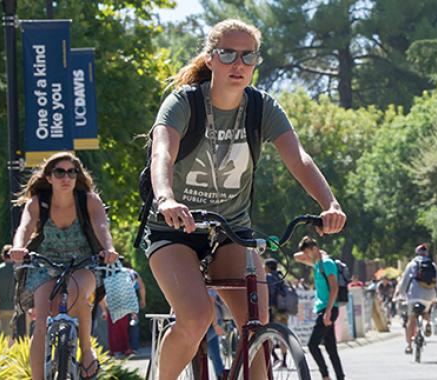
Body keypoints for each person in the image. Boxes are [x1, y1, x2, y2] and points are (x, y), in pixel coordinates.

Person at [144, 18, 346, 380]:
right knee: (196, 316)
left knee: (258, 327)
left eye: (248, 56)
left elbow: (298, 157)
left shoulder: (261, 107)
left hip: (230, 230)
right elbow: (162, 153)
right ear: (210, 59)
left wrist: (329, 204)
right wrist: (165, 197)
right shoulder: (184, 102)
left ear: (256, 62)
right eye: (227, 54)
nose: (238, 64)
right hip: (173, 227)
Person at [9, 152, 119, 380]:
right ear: (49, 177)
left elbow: (101, 226)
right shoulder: (39, 202)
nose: (66, 177)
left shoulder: (88, 200)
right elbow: (25, 227)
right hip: (45, 264)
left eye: (72, 172)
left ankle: (86, 349)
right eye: (59, 172)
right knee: (41, 320)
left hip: (82, 262)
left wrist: (108, 248)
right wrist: (18, 247)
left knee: (78, 294)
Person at [294, 237, 345, 380]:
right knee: (331, 348)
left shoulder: (327, 263)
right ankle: (340, 377)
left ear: (314, 249)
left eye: (308, 252)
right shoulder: (317, 263)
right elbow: (296, 257)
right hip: (325, 308)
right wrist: (311, 250)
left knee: (312, 345)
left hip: (327, 308)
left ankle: (325, 375)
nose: (307, 256)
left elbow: (334, 288)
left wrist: (328, 311)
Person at [393, 243, 437, 354]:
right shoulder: (433, 265)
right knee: (426, 312)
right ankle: (427, 323)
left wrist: (401, 295)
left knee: (411, 319)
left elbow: (404, 282)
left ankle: (409, 346)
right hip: (429, 295)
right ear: (426, 253)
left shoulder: (411, 264)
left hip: (414, 295)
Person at [0, 245, 17, 339]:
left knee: (7, 335)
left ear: (2, 256)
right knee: (21, 335)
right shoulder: (20, 269)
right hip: (18, 307)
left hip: (3, 308)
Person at [126, 264, 146, 355]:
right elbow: (141, 287)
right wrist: (143, 300)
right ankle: (134, 347)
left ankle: (123, 348)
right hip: (132, 300)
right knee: (134, 324)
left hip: (117, 301)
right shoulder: (134, 273)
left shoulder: (117, 272)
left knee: (121, 325)